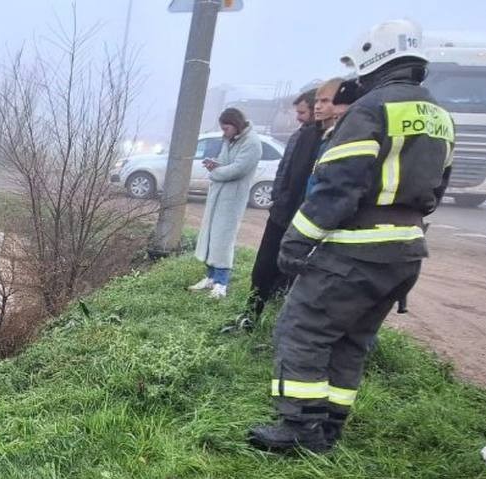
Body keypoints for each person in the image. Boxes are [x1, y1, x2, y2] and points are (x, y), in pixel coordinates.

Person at [248, 19, 454, 452]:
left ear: (371, 56)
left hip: (356, 251)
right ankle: (329, 427)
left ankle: (299, 429)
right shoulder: (438, 115)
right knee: (352, 339)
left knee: (301, 330)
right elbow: (438, 188)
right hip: (405, 253)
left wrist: (297, 240)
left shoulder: (372, 109)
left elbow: (338, 184)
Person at [226, 88, 322, 332]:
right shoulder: (302, 135)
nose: (298, 117)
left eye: (302, 112)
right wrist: (278, 199)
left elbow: (303, 180)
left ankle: (268, 323)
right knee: (265, 269)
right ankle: (252, 316)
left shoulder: (319, 139)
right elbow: (286, 172)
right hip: (281, 214)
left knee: (279, 272)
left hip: (295, 218)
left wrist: (290, 208)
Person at [187, 108, 263, 299]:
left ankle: (222, 283)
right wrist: (215, 163)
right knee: (212, 235)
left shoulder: (252, 143)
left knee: (223, 239)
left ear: (236, 125)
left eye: (226, 128)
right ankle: (211, 277)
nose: (224, 132)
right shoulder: (230, 139)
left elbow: (237, 170)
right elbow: (224, 162)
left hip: (232, 198)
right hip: (218, 195)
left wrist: (214, 172)